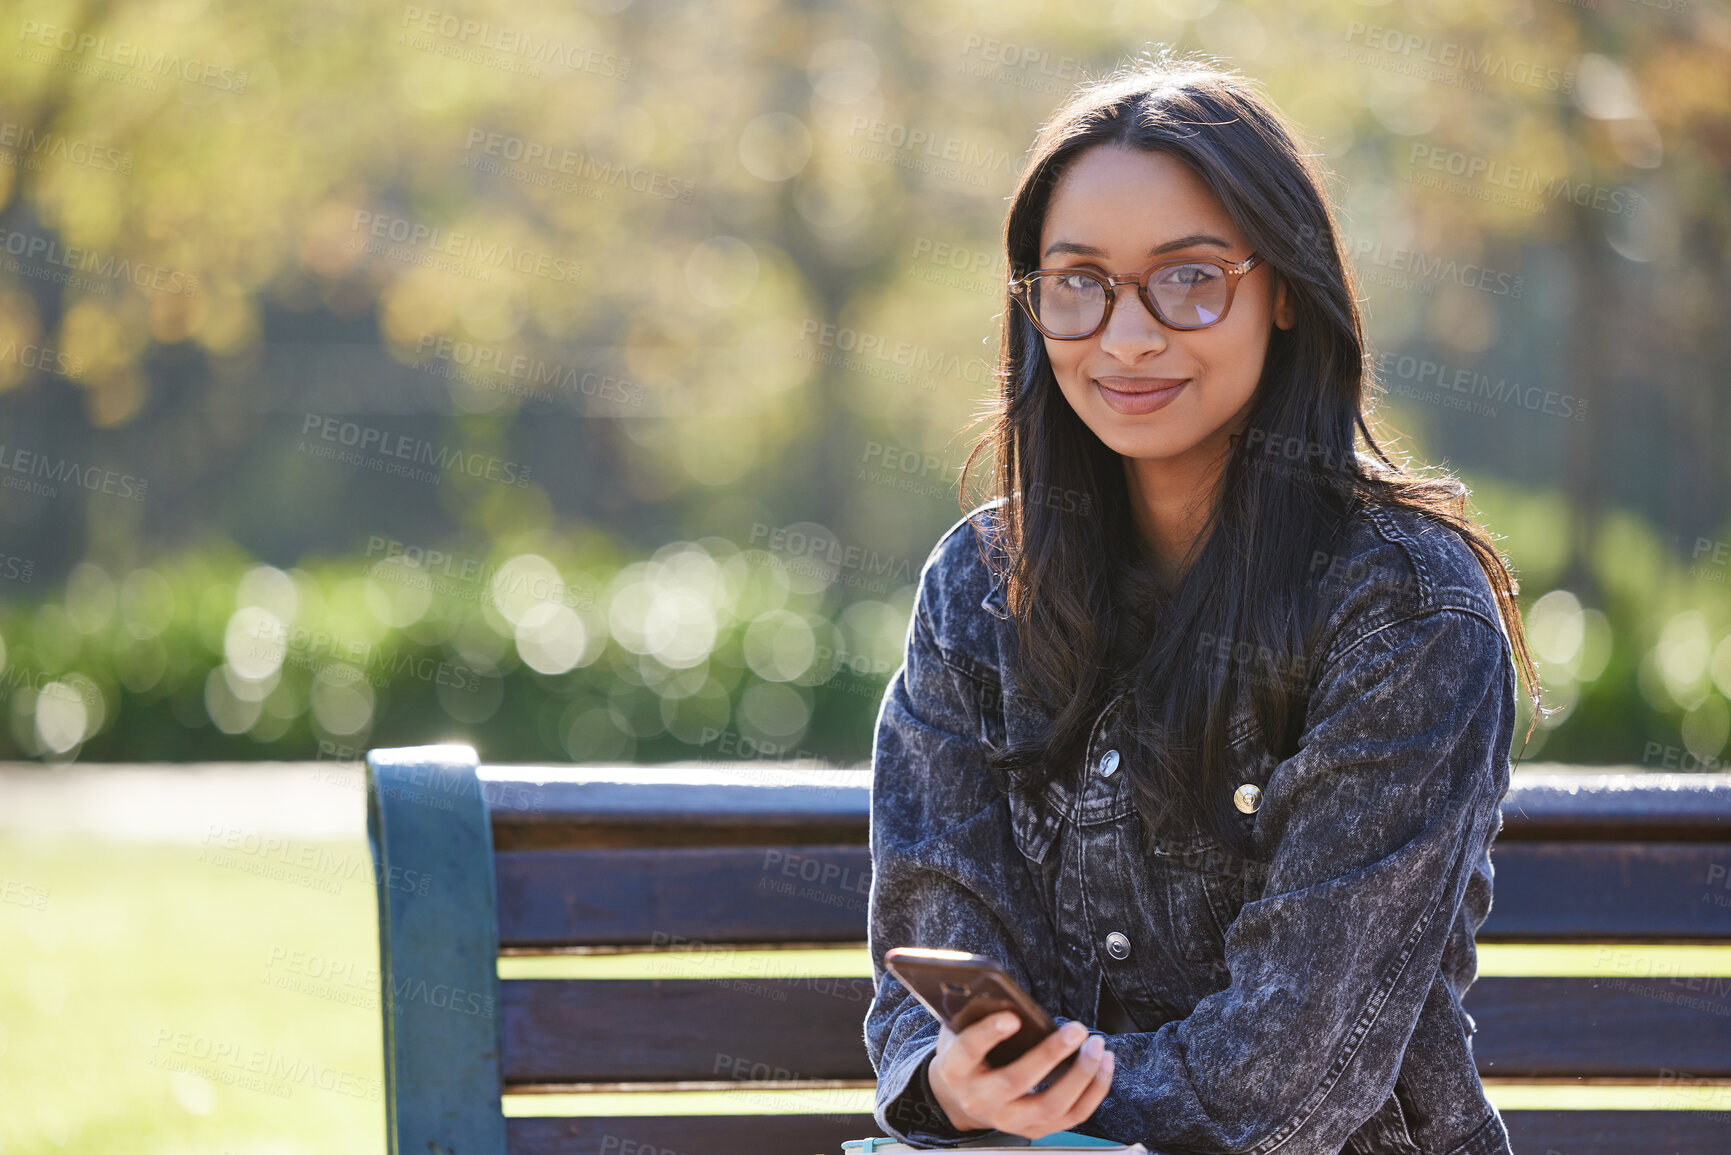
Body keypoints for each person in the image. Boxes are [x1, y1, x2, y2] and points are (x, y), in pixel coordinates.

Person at [862, 51, 1541, 1155]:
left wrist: (1038, 1106)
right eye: (1078, 283)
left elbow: (1287, 1077)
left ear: (1282, 290)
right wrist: (953, 1081)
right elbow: (929, 967)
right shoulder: (979, 592)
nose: (1126, 338)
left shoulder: (1408, 614)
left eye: (1189, 278)